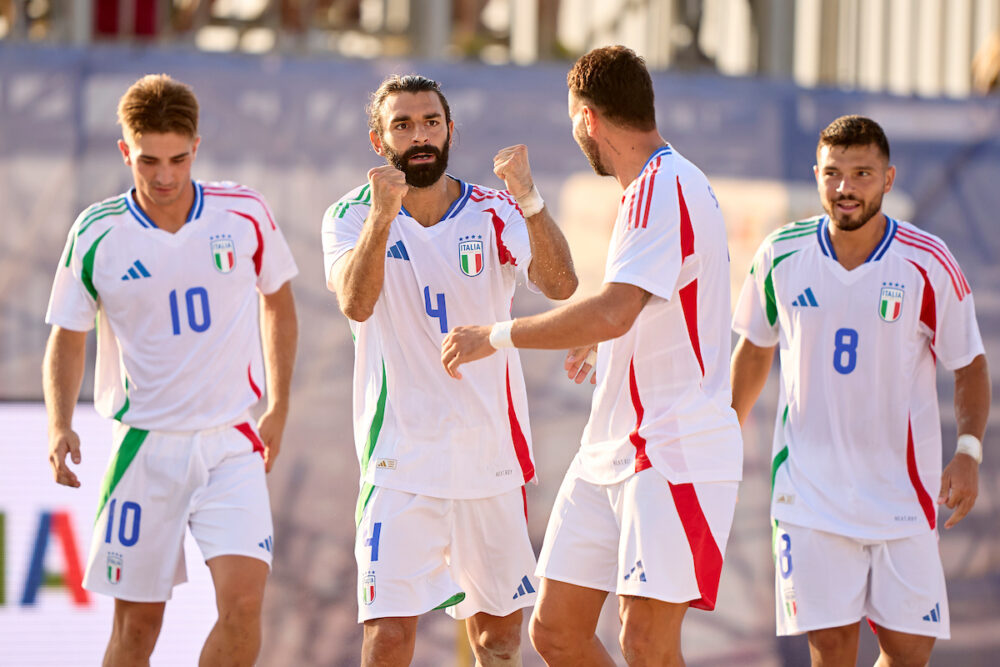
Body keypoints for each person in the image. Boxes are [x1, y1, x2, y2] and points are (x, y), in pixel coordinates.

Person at [441, 46, 743, 666]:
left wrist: (494, 335)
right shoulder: (652, 186)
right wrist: (605, 339)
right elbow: (630, 307)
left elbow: (614, 308)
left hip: (672, 448)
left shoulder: (665, 185)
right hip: (612, 447)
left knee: (646, 643)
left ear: (587, 119)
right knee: (554, 631)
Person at [321, 74, 577, 666]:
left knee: (499, 639)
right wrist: (383, 221)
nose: (420, 137)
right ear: (377, 139)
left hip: (488, 456)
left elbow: (561, 285)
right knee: (387, 638)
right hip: (400, 460)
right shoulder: (352, 215)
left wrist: (531, 199)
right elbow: (356, 304)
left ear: (450, 130)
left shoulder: (493, 208)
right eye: (403, 125)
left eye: (431, 123)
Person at [43, 74, 298, 666]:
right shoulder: (96, 232)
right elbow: (67, 337)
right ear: (124, 151)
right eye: (149, 159)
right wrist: (59, 424)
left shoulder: (243, 212)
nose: (164, 175)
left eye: (178, 159)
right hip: (145, 447)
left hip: (231, 443)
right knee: (137, 632)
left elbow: (279, 306)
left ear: (196, 148)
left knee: (242, 611)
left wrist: (280, 405)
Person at [730, 115, 990, 666]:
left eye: (862, 173)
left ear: (888, 179)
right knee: (831, 649)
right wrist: (724, 436)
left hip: (901, 495)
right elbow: (755, 349)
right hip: (809, 497)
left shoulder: (927, 261)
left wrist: (968, 453)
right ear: (817, 175)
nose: (846, 188)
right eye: (834, 173)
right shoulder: (779, 254)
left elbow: (968, 365)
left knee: (908, 652)